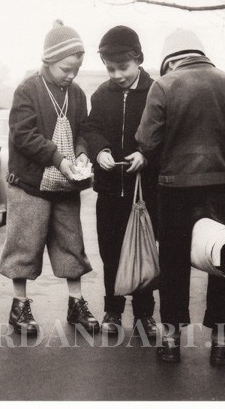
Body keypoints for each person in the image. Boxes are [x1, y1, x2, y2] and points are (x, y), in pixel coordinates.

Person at [135, 28, 225, 365]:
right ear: (201, 52)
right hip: (222, 187)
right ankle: (221, 342)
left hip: (174, 189)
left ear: (170, 59)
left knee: (172, 263)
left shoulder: (163, 85)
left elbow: (147, 142)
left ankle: (170, 341)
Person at [0, 20, 99, 336]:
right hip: (29, 183)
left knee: (72, 242)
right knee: (24, 245)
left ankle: (76, 303)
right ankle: (20, 306)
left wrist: (82, 153)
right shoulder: (28, 89)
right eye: (65, 69)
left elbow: (83, 130)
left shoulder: (78, 94)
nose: (70, 75)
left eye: (76, 69)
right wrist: (59, 158)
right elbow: (22, 134)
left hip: (66, 182)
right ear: (48, 60)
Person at [80, 25, 159, 339]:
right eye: (110, 69)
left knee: (140, 252)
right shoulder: (101, 94)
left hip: (143, 193)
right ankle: (112, 310)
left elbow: (162, 132)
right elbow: (91, 128)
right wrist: (100, 151)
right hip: (110, 190)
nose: (117, 74)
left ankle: (144, 315)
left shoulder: (156, 91)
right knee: (110, 251)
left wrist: (146, 154)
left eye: (123, 67)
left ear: (138, 59)